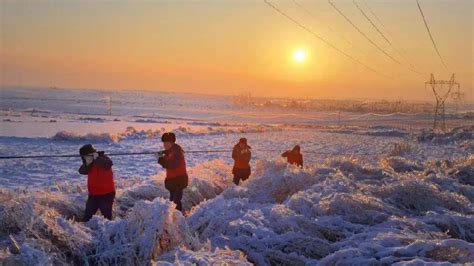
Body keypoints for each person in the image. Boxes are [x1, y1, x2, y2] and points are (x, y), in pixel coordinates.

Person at [78, 144, 115, 222]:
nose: (84, 158)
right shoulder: (88, 163)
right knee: (87, 219)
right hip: (93, 194)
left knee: (107, 219)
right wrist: (87, 162)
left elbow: (108, 164)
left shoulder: (104, 158)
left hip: (106, 194)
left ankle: (110, 233)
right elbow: (82, 171)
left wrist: (96, 157)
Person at [155, 132, 188, 212]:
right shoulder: (170, 151)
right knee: (172, 201)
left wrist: (161, 159)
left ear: (172, 143)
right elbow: (165, 154)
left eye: (167, 143)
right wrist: (161, 155)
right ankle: (177, 217)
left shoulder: (177, 152)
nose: (165, 145)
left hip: (179, 181)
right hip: (172, 181)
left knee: (175, 203)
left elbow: (172, 165)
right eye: (164, 143)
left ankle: (179, 219)